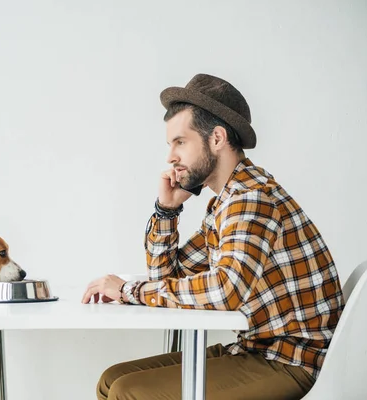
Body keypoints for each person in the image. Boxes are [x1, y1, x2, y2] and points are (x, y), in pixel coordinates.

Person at [82, 73, 345, 400]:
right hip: (255, 348)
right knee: (112, 380)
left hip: (289, 360)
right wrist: (167, 210)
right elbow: (168, 276)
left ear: (217, 138)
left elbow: (225, 290)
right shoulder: (227, 201)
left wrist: (128, 290)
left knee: (127, 391)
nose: (170, 157)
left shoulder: (251, 200)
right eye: (170, 144)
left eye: (180, 142)